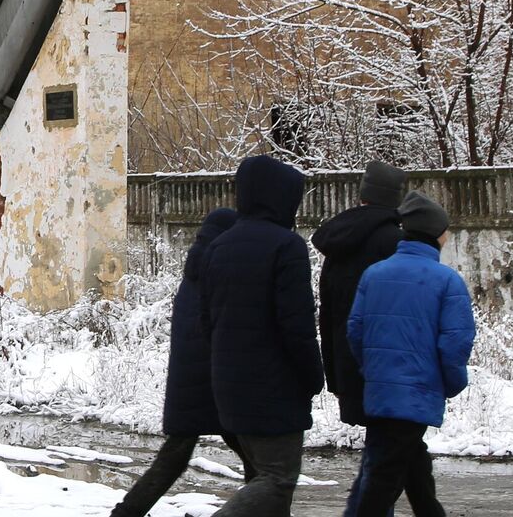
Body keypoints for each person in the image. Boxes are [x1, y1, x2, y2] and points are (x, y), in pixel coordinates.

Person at [200, 153, 323, 517]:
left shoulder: (219, 246)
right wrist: (313, 377)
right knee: (277, 480)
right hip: (274, 391)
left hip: (228, 389)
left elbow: (206, 322)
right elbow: (297, 325)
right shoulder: (287, 247)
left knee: (263, 487)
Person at [109, 208, 249, 517]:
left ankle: (126, 513)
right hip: (212, 382)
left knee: (176, 458)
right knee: (262, 465)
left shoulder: (195, 272)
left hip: (190, 384)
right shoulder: (220, 274)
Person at [345, 192, 475, 517]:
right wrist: (452, 383)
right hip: (417, 389)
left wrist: (374, 370)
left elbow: (355, 331)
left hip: (380, 388)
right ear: (435, 234)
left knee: (410, 463)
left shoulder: (373, 274)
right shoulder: (447, 280)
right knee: (384, 480)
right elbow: (455, 343)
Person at [311, 160, 407, 513]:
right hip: (388, 368)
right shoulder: (395, 243)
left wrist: (334, 373)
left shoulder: (338, 242)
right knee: (390, 458)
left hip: (348, 364)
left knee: (393, 456)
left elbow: (329, 311)